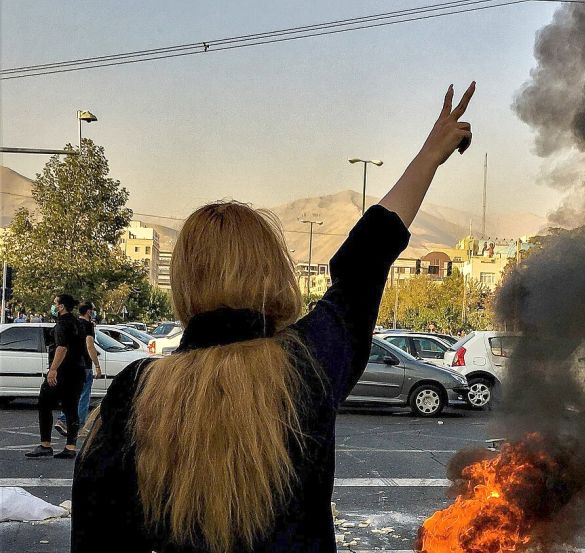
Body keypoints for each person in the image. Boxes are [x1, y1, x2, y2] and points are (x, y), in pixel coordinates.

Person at [72, 82, 475, 552]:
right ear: (272, 272)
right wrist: (429, 156)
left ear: (184, 281)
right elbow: (364, 261)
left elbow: (93, 537)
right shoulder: (307, 364)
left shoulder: (134, 393)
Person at [25, 294, 87, 459]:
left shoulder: (62, 325)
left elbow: (62, 348)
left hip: (63, 372)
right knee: (71, 408)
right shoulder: (78, 323)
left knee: (44, 403)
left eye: (55, 303)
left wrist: (53, 370)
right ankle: (70, 447)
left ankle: (45, 445)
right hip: (78, 371)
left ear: (61, 306)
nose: (53, 306)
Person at [55, 302, 102, 437]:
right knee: (84, 396)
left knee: (72, 394)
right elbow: (89, 345)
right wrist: (97, 365)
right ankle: (79, 425)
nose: (93, 312)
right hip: (84, 366)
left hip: (71, 364)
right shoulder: (88, 326)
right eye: (93, 310)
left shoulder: (74, 323)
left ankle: (63, 419)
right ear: (88, 311)